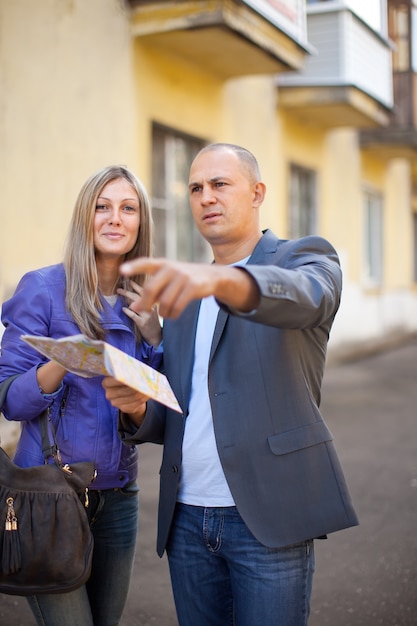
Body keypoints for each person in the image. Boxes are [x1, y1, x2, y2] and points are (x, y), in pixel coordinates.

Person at [104, 143, 359, 626]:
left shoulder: (303, 257)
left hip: (267, 518)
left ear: (257, 192)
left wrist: (221, 281)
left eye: (220, 184)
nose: (206, 197)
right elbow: (181, 409)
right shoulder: (188, 290)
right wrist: (138, 406)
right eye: (196, 188)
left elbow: (310, 298)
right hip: (187, 519)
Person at [0, 165, 162, 626]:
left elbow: (155, 410)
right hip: (48, 495)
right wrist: (62, 361)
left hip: (119, 497)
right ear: (84, 218)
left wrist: (155, 335)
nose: (115, 218)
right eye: (102, 207)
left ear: (140, 223)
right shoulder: (44, 289)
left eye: (128, 208)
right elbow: (10, 400)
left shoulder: (144, 303)